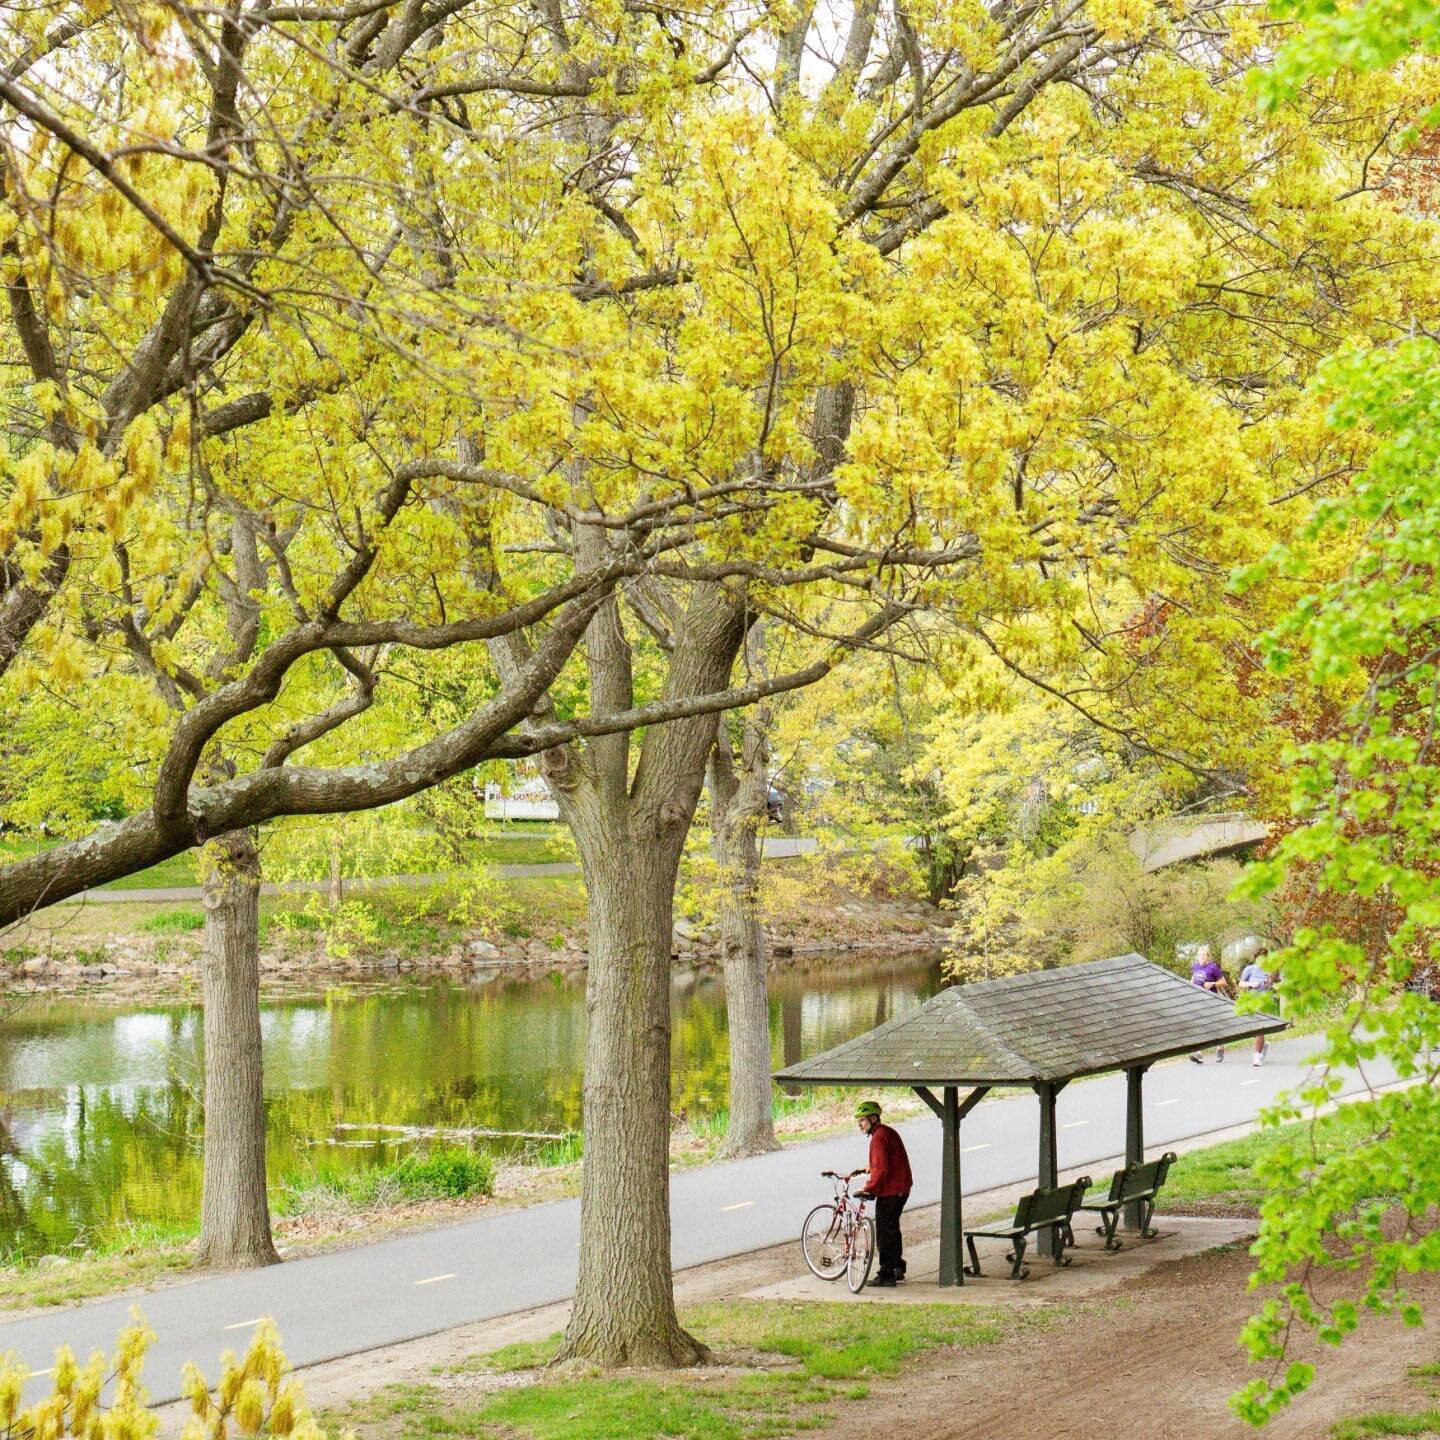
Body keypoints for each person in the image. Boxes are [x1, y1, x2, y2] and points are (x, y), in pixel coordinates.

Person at [854, 1099, 912, 1287]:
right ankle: (897, 1267)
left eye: (862, 1120)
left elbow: (881, 1168)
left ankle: (886, 1273)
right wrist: (869, 1168)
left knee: (884, 1233)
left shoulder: (878, 1137)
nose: (859, 1124)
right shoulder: (885, 1132)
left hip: (892, 1190)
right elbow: (883, 1161)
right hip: (900, 1188)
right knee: (892, 1229)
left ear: (873, 1118)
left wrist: (867, 1188)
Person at [1188, 944, 1231, 1064]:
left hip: (1212, 999)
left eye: (1203, 955)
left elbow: (1224, 982)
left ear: (1208, 956)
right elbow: (1194, 978)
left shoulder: (1213, 967)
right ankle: (1198, 1053)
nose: (1201, 957)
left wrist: (1212, 984)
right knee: (1200, 1025)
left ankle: (1220, 1046)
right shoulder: (1195, 966)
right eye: (1199, 955)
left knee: (1215, 1025)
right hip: (1199, 1000)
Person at [1238, 949, 1278, 1066]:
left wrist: (1273, 985)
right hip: (1251, 1002)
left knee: (1259, 1028)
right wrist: (1251, 984)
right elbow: (1241, 983)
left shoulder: (1271, 970)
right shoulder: (1250, 969)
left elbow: (1277, 984)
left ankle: (1257, 1057)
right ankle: (1263, 1045)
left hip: (1265, 1002)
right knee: (1253, 1030)